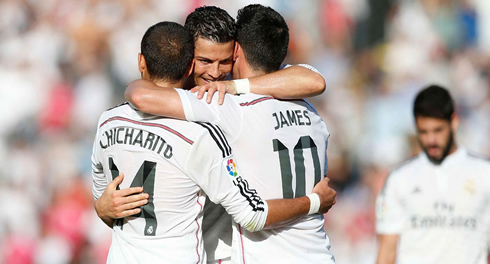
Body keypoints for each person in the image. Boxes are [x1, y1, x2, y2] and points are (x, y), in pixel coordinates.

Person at [92, 21, 336, 264]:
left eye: (224, 62)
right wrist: (102, 207)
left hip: (225, 253)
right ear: (188, 61)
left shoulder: (222, 100)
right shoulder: (207, 113)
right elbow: (141, 97)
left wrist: (233, 86)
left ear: (236, 54)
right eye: (205, 61)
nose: (216, 73)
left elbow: (314, 81)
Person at [375, 85, 490, 264]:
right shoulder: (399, 179)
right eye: (423, 132)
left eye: (438, 130)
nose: (431, 140)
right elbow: (387, 250)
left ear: (454, 122)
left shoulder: (484, 173)